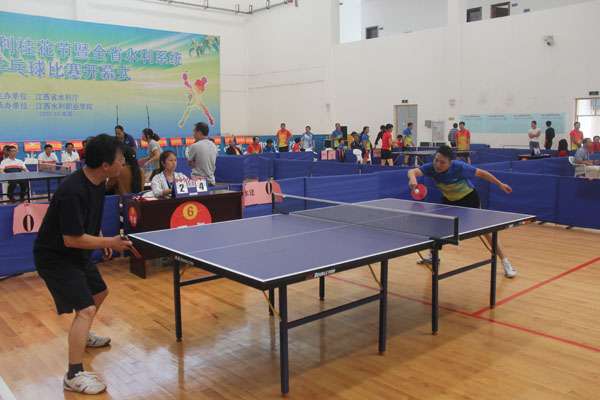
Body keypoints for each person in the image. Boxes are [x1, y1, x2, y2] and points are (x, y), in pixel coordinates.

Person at [33, 134, 133, 394]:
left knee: (100, 292)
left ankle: (83, 335)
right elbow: (71, 239)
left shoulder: (98, 182)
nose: (123, 164)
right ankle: (73, 374)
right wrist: (109, 242)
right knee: (86, 309)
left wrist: (99, 237)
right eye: (120, 160)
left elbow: (87, 219)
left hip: (76, 254)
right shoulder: (73, 191)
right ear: (105, 165)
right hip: (55, 257)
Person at [407, 145, 517, 278]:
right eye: (436, 160)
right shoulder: (431, 168)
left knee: (486, 231)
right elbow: (412, 171)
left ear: (450, 163)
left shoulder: (460, 167)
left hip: (469, 199)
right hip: (450, 201)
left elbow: (482, 173)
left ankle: (505, 262)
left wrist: (500, 184)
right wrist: (413, 178)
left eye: (442, 162)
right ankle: (433, 256)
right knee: (437, 228)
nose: (438, 165)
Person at [187, 121, 218, 186]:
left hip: (198, 182)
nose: (193, 134)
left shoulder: (194, 146)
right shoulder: (214, 146)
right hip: (211, 181)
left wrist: (192, 162)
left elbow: (189, 162)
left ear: (199, 133)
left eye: (194, 131)